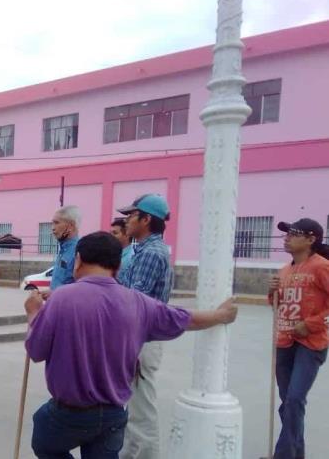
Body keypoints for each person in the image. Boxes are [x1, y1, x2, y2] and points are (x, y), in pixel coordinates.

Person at [25, 231, 238, 459]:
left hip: (69, 414)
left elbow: (36, 350)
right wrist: (220, 316)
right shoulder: (138, 302)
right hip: (114, 414)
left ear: (77, 260)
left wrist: (33, 313)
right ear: (117, 267)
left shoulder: (60, 298)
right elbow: (185, 318)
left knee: (43, 438)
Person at [115, 193, 172, 459]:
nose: (127, 221)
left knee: (142, 407)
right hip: (139, 336)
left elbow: (135, 300)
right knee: (134, 404)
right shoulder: (145, 249)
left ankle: (147, 455)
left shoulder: (151, 253)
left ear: (146, 219)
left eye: (131, 215)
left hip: (143, 337)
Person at [269, 218, 329, 459]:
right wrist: (273, 292)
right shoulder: (285, 270)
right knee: (288, 404)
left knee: (294, 399)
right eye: (286, 233)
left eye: (293, 233)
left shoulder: (322, 267)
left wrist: (311, 324)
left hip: (311, 344)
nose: (286, 237)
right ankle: (297, 453)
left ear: (311, 239)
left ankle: (283, 455)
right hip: (284, 341)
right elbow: (279, 305)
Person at [49, 205, 82, 291]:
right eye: (52, 223)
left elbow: (80, 287)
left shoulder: (80, 250)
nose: (52, 228)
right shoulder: (63, 249)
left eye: (56, 223)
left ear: (70, 226)